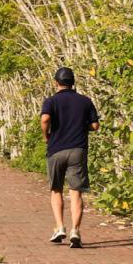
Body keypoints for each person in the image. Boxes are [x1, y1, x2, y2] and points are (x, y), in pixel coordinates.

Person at [41, 67, 100, 248]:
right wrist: (83, 127)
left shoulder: (51, 101)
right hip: (78, 149)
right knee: (76, 192)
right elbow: (95, 126)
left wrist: (47, 136)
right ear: (73, 82)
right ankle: (75, 230)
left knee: (56, 189)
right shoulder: (85, 101)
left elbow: (44, 119)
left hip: (56, 150)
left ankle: (60, 228)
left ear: (56, 82)